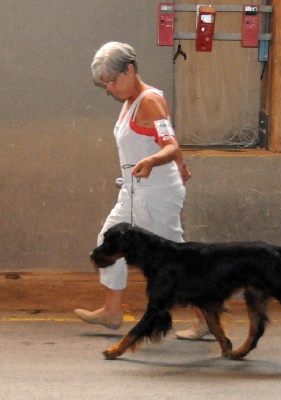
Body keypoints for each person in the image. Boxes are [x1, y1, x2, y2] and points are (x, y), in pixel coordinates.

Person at [74, 41, 208, 340]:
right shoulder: (130, 102)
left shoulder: (149, 101)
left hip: (155, 193)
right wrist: (181, 165)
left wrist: (153, 160)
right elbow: (170, 143)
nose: (109, 88)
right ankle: (112, 311)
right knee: (107, 241)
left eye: (112, 80)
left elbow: (169, 144)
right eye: (104, 83)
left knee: (175, 260)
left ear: (130, 70)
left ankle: (206, 318)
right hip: (134, 191)